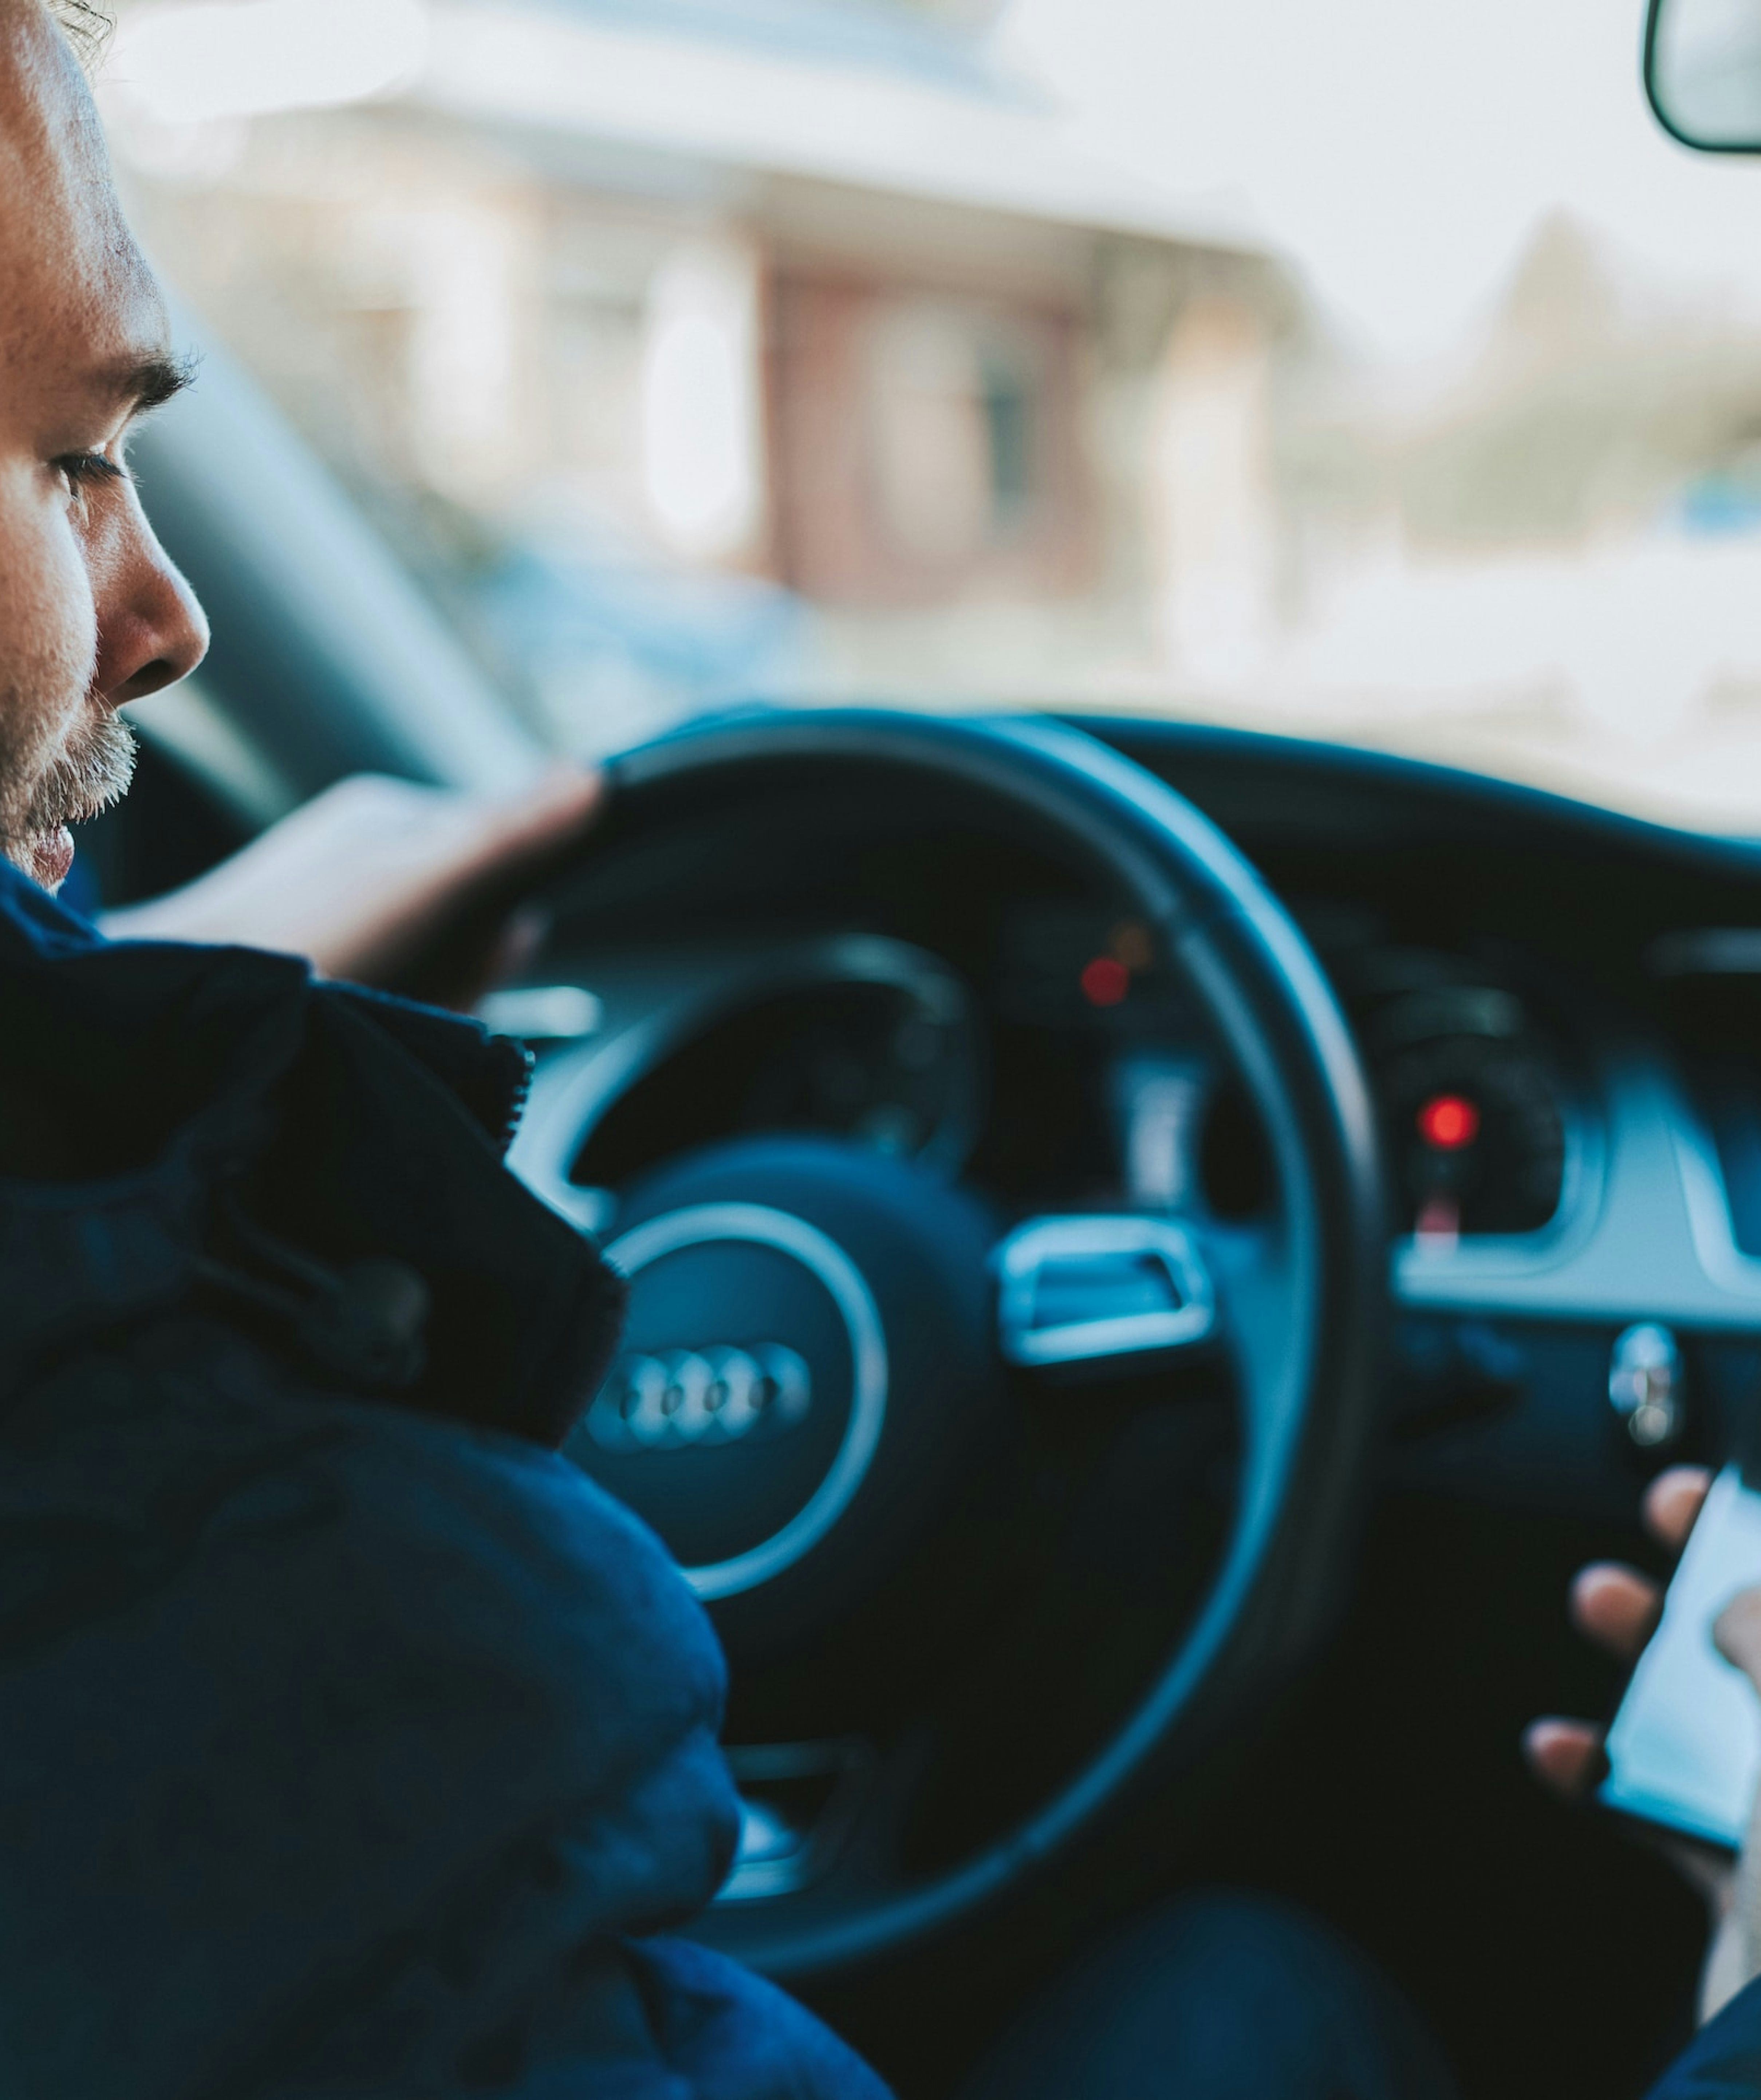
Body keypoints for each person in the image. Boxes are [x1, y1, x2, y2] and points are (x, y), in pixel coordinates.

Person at [5, 3, 1761, 2094]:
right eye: (75, 459)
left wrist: (157, 1039)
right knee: (1253, 1987)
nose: (169, 613)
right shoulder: (235, 1670)